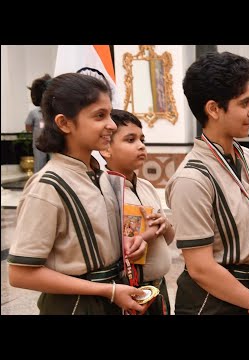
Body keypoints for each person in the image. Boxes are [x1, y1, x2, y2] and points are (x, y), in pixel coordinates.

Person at [8, 73, 148, 315]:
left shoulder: (100, 176)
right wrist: (107, 291)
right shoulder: (48, 186)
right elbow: (20, 273)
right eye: (99, 116)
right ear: (64, 123)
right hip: (73, 305)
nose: (112, 125)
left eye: (110, 114)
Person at [165, 51, 249, 315]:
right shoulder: (191, 179)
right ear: (213, 109)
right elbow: (201, 268)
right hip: (210, 302)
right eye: (244, 103)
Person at [100, 109, 175, 315]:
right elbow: (123, 249)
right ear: (106, 149)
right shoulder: (106, 190)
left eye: (142, 139)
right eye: (130, 140)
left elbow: (168, 238)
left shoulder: (146, 186)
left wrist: (164, 225)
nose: (141, 145)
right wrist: (147, 234)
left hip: (158, 286)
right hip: (130, 290)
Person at [25, 74, 51, 173]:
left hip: (53, 141)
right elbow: (28, 126)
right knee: (40, 163)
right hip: (39, 143)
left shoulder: (52, 111)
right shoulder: (34, 113)